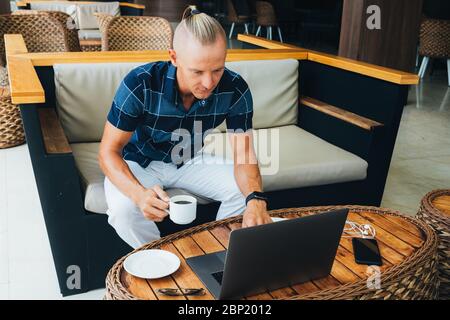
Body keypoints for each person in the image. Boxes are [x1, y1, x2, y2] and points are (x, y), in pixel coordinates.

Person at [98, 5, 272, 249]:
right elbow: (107, 152)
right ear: (174, 57)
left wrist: (256, 199)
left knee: (244, 194)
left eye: (217, 69)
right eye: (197, 71)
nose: (209, 83)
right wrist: (138, 195)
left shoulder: (235, 88)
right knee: (123, 212)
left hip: (189, 158)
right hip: (138, 161)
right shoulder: (141, 83)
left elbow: (244, 155)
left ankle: (218, 254)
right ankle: (162, 257)